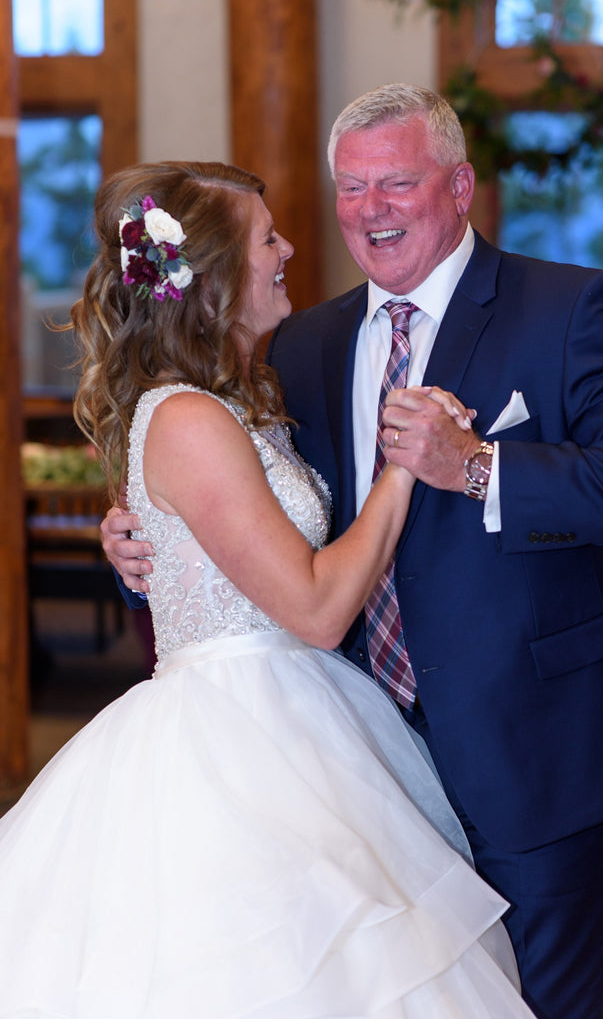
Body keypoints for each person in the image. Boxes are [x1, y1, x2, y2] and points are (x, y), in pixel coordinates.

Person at [104, 86, 603, 1019]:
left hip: (540, 767)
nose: (370, 211)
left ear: (459, 187)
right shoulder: (301, 342)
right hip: (355, 783)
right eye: (350, 187)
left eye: (398, 183)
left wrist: (483, 467)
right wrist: (138, 541)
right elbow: (235, 510)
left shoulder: (570, 308)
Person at [0, 160, 537, 1018]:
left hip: (296, 708)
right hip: (233, 735)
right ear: (211, 277)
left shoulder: (235, 398)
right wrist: (409, 466)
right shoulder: (187, 418)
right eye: (268, 237)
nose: (289, 248)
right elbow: (321, 609)